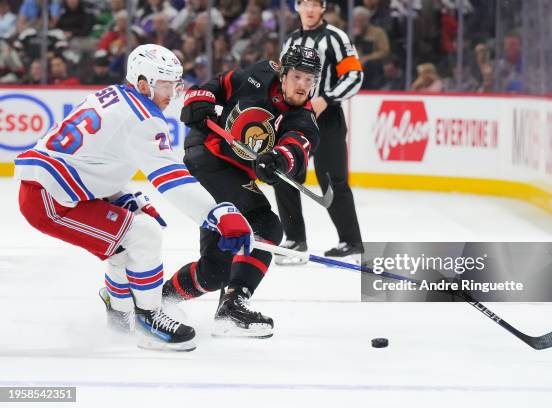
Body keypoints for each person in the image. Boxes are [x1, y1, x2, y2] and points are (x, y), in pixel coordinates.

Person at [13, 44, 253, 352]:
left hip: (54, 187)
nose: (173, 91)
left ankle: (119, 311)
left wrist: (122, 195)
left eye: (176, 83)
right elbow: (171, 178)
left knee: (128, 240)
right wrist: (218, 213)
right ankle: (149, 319)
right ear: (143, 84)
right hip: (50, 198)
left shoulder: (112, 95)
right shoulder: (144, 118)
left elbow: (98, 158)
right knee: (144, 235)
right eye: (166, 84)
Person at [161, 45, 322, 338]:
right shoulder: (259, 74)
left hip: (232, 174)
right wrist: (198, 102)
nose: (302, 85)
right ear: (284, 74)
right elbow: (215, 86)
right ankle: (233, 306)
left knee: (215, 271)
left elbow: (296, 149)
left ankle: (157, 302)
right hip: (206, 155)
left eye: (309, 80)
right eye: (298, 76)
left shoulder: (304, 119)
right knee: (265, 224)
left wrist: (278, 160)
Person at [274, 0, 364, 265]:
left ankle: (351, 242)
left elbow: (354, 76)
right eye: (306, 3)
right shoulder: (290, 41)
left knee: (333, 180)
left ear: (323, 8)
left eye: (316, 4)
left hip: (327, 118)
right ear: (297, 6)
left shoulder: (336, 38)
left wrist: (326, 98)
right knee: (285, 174)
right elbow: (281, 76)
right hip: (295, 118)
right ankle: (295, 241)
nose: (311, 9)